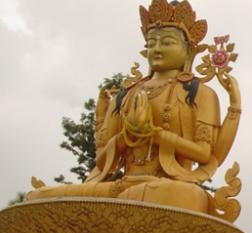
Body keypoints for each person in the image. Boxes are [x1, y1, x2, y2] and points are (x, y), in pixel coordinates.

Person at [28, 0, 241, 214]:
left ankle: (117, 210)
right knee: (39, 198)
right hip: (120, 187)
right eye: (151, 44)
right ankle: (120, 207)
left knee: (187, 196)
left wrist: (156, 135)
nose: (157, 49)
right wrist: (124, 136)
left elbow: (204, 154)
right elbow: (102, 161)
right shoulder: (125, 95)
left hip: (168, 190)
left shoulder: (199, 93)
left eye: (167, 43)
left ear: (189, 52)